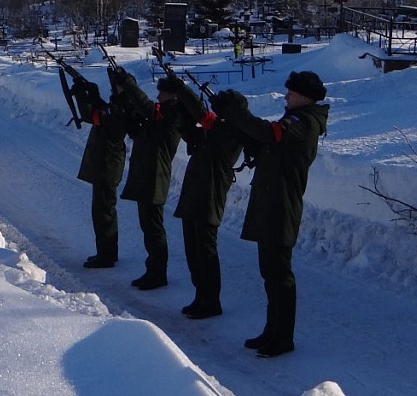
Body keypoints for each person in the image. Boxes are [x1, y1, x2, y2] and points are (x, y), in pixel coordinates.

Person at [210, 71, 329, 358]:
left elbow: (270, 133)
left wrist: (239, 115)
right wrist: (237, 124)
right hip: (271, 203)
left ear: (304, 96)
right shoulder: (297, 120)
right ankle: (272, 330)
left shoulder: (306, 121)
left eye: (291, 92)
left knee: (279, 275)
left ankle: (283, 337)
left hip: (282, 206)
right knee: (270, 274)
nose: (286, 96)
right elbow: (266, 143)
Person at [111, 69, 198, 290]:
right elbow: (139, 116)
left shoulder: (175, 115)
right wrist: (122, 94)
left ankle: (158, 273)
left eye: (162, 93)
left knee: (153, 226)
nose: (158, 97)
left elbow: (148, 110)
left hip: (155, 175)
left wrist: (130, 85)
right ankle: (154, 270)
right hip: (147, 173)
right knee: (148, 225)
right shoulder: (165, 112)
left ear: (173, 96)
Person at [173, 88, 244, 319]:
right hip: (195, 194)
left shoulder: (231, 132)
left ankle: (210, 300)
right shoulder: (218, 130)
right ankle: (201, 296)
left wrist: (183, 91)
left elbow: (203, 115)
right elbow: (192, 130)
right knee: (193, 250)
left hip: (209, 195)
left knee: (205, 249)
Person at [74, 79, 130, 269]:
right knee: (105, 211)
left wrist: (82, 95)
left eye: (118, 86)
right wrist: (93, 94)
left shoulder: (120, 111)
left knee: (103, 213)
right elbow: (102, 109)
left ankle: (106, 255)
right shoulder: (119, 107)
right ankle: (108, 252)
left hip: (107, 168)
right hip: (106, 167)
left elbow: (92, 116)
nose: (114, 88)